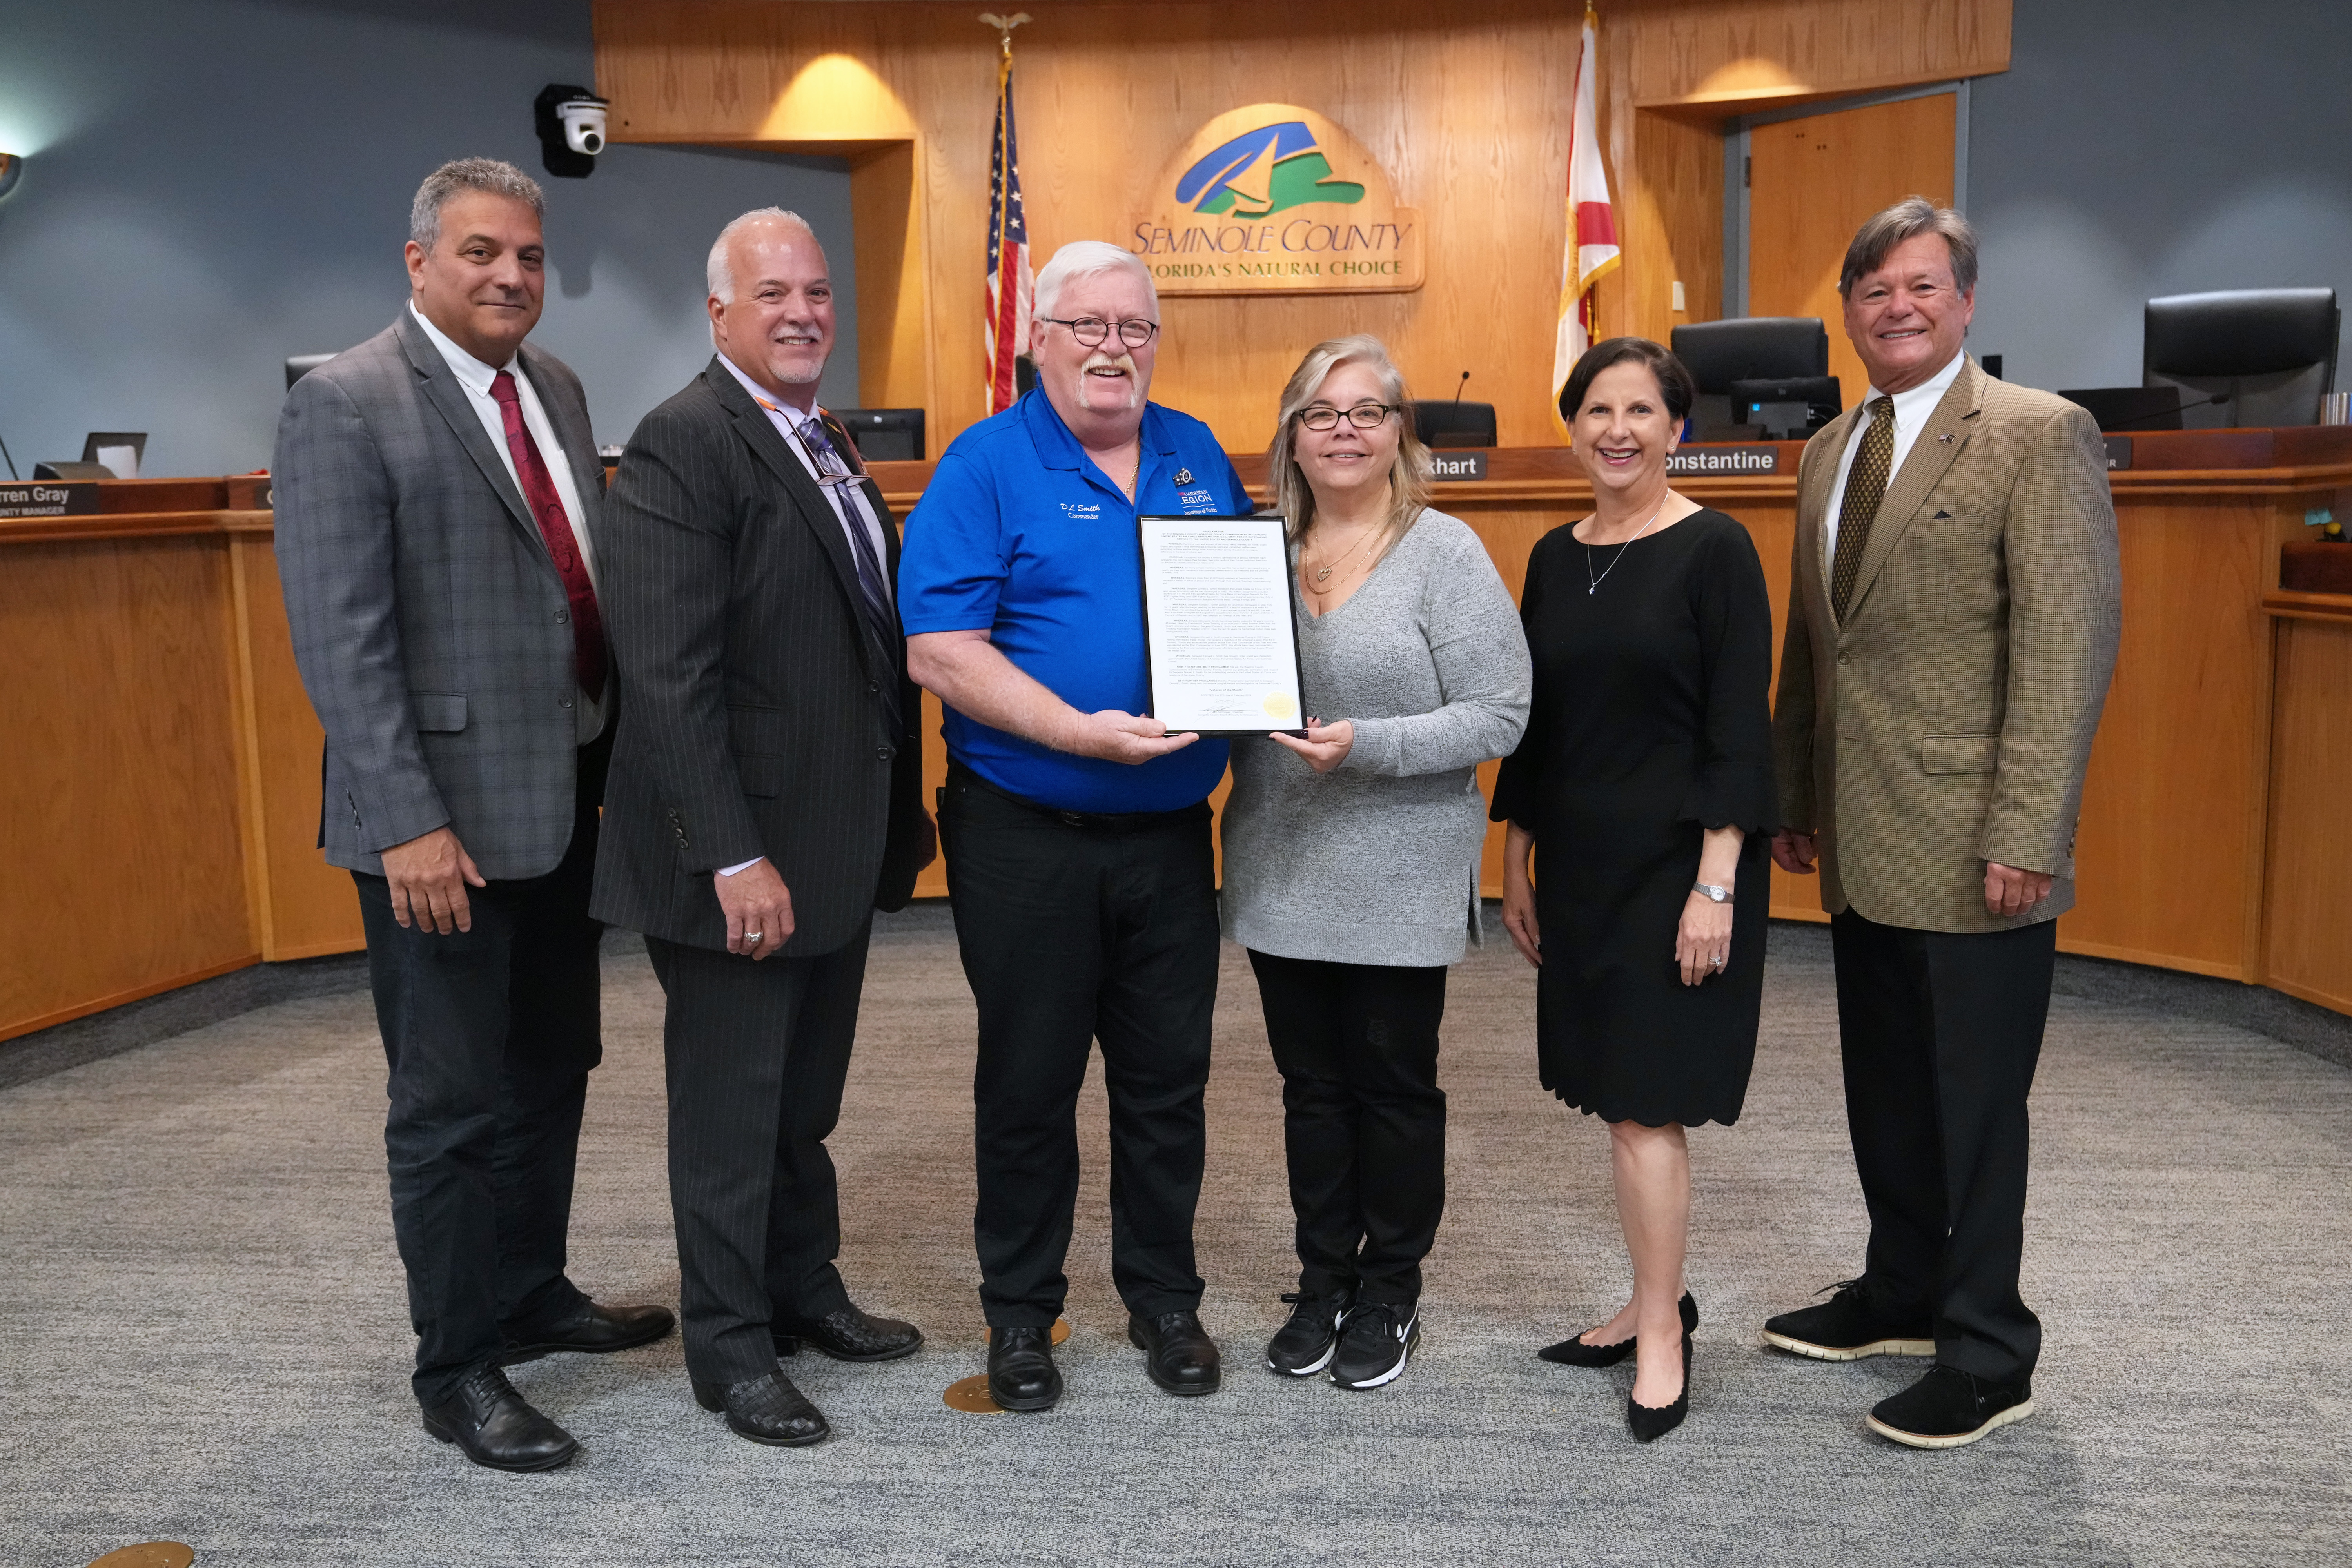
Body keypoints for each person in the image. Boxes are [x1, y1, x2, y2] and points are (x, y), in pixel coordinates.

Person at [273, 158, 672, 1474]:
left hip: (561, 799)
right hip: (434, 831)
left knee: (553, 1067)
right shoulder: (346, 402)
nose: (511, 277)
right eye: (483, 253)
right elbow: (343, 644)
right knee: (448, 1105)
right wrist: (403, 824)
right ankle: (456, 1367)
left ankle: (527, 1290)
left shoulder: (551, 387)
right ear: (419, 261)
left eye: (531, 258)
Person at [1760, 198, 2120, 1450]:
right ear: (1849, 313)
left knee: (1976, 1106)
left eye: (1921, 286)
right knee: (1890, 1090)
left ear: (1965, 300)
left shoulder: (2038, 435)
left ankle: (1988, 1349)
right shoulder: (1828, 447)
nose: (1896, 308)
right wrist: (1795, 797)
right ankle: (1903, 1291)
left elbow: (2066, 652)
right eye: (1873, 292)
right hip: (1862, 832)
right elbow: (1818, 642)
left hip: (1980, 841)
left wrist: (2032, 826)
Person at [590, 209, 936, 1448]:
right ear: (721, 313)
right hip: (738, 855)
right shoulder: (687, 442)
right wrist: (730, 852)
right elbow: (668, 676)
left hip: (831, 842)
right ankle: (729, 1350)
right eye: (773, 292)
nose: (802, 312)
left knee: (801, 1107)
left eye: (818, 291)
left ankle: (803, 1292)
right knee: (732, 1119)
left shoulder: (821, 435)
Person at [899, 240, 1252, 1412]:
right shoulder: (984, 465)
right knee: (1030, 1085)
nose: (1114, 348)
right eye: (1088, 326)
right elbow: (941, 649)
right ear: (1037, 338)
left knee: (1168, 1085)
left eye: (1136, 328)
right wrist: (1075, 731)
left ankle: (1165, 1302)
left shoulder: (1196, 452)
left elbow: (1241, 617)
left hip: (1166, 836)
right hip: (1026, 834)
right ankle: (1020, 1317)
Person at [1219, 335, 1529, 1390]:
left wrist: (1370, 744)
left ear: (1400, 433)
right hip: (1280, 862)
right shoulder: (1247, 549)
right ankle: (1322, 1281)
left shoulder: (1443, 553)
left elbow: (1503, 713)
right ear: (1290, 436)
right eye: (1319, 412)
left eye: (1366, 410)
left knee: (1393, 1090)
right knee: (1311, 1089)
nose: (1342, 430)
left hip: (1400, 867)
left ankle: (1390, 1288)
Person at [1492, 336, 1779, 1443]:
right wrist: (1515, 859)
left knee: (1649, 1108)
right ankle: (1648, 1297)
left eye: (1640, 411)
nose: (1617, 429)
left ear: (1676, 428)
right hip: (1579, 868)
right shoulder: (1557, 555)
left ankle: (1662, 1332)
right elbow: (1540, 723)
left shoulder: (1716, 549)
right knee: (1617, 1102)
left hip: (1678, 872)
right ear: (1574, 426)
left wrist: (1716, 887)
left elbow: (1735, 734)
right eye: (1598, 410)